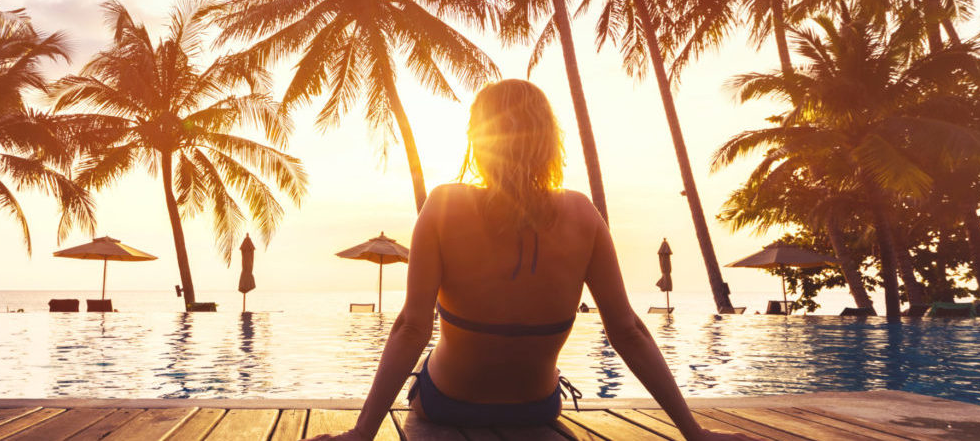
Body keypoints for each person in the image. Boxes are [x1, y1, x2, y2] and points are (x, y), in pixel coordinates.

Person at [304, 80, 756, 441]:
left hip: (449, 401)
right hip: (536, 406)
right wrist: (695, 434)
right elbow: (628, 331)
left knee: (427, 367)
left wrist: (361, 433)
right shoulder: (582, 213)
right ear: (549, 143)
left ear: (479, 141)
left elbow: (411, 327)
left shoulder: (444, 205)